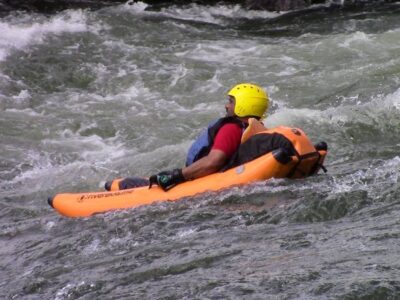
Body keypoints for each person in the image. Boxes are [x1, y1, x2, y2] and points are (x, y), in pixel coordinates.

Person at [110, 83, 270, 191]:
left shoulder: (231, 128)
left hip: (198, 182)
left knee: (122, 184)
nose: (227, 105)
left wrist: (176, 175)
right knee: (119, 183)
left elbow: (213, 162)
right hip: (217, 178)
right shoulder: (256, 129)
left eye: (231, 101)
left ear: (243, 105)